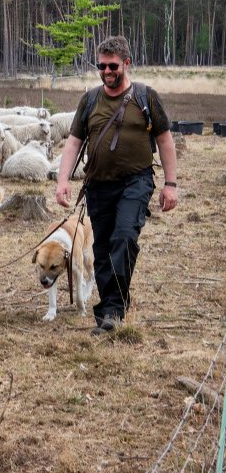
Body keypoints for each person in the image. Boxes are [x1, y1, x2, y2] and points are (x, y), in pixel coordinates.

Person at [55, 35, 178, 335]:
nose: (107, 72)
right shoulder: (90, 100)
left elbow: (164, 140)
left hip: (136, 182)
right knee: (104, 248)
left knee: (124, 238)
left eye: (112, 66)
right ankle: (113, 307)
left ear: (126, 63)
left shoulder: (146, 97)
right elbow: (74, 142)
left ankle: (113, 309)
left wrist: (170, 184)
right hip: (98, 184)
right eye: (101, 66)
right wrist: (63, 180)